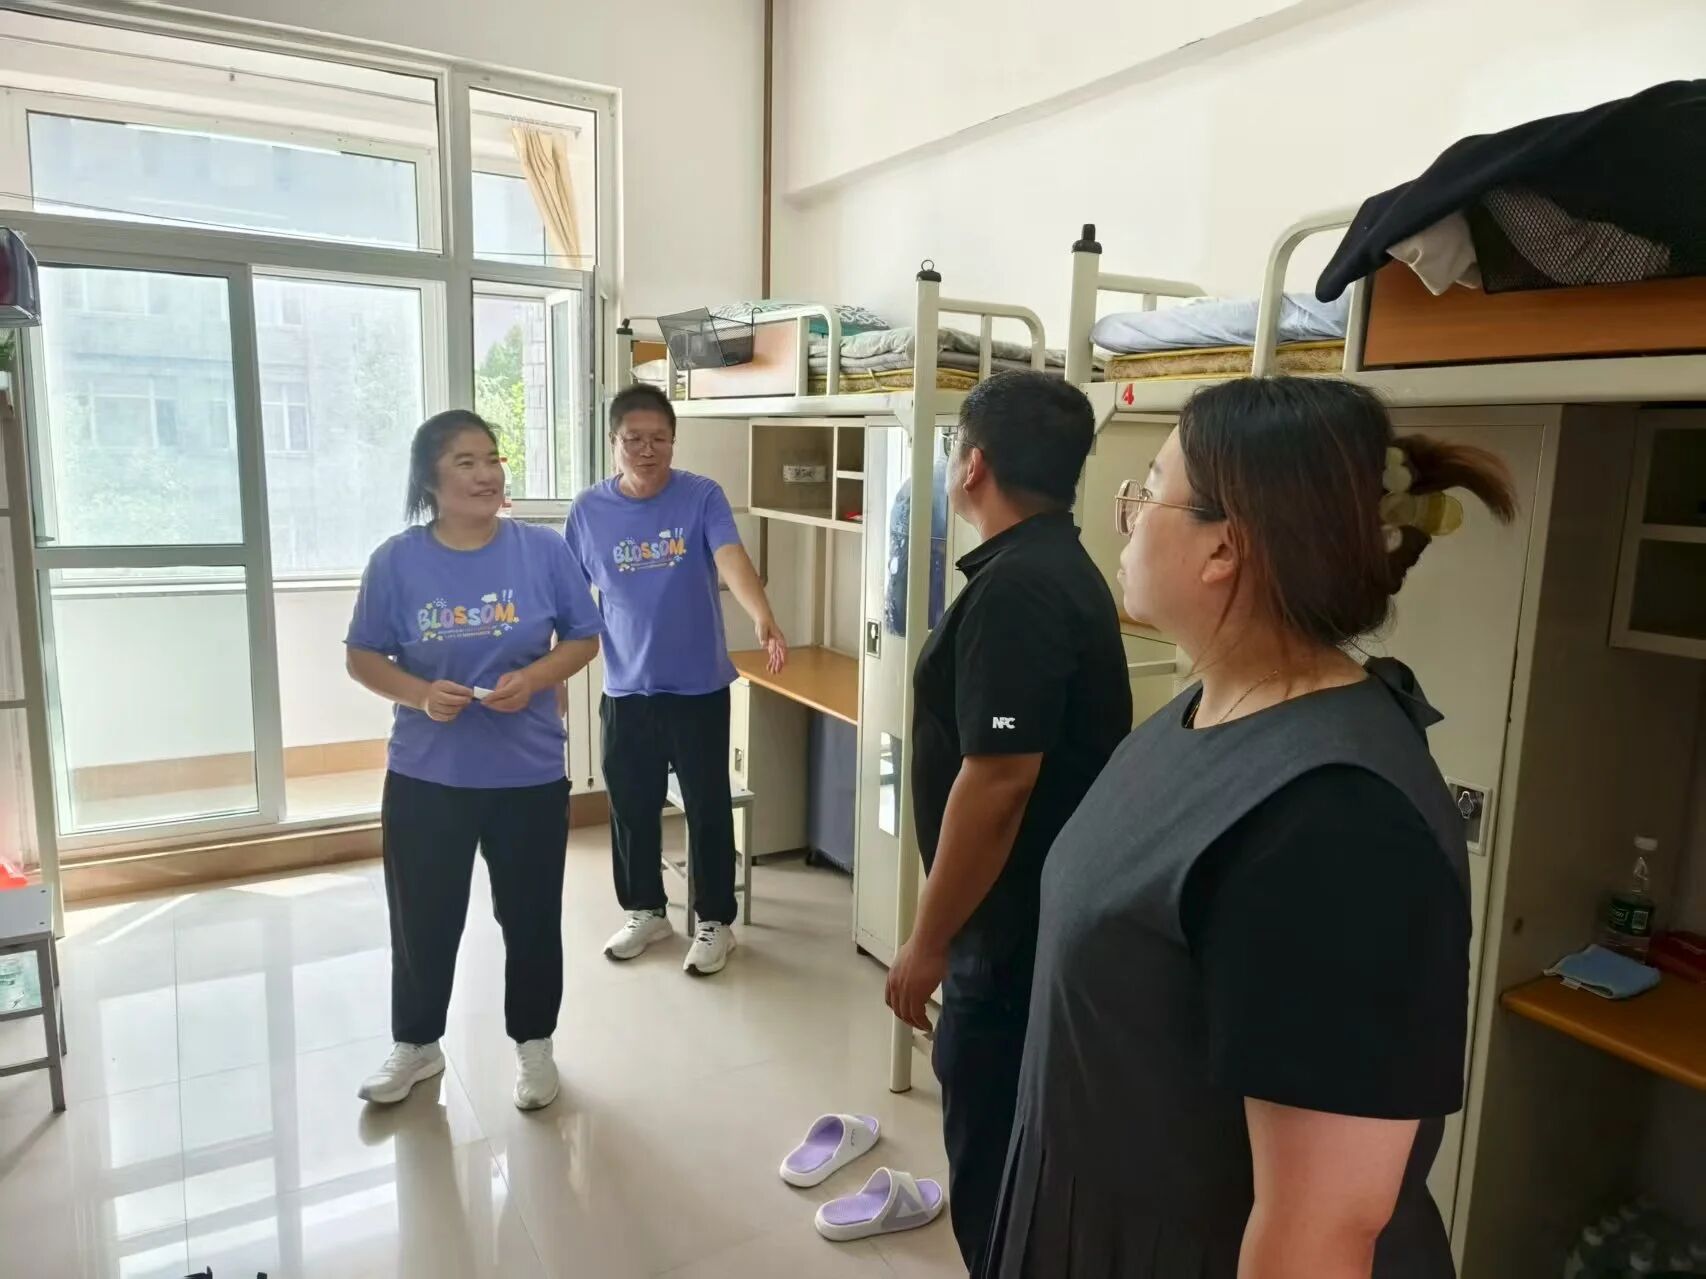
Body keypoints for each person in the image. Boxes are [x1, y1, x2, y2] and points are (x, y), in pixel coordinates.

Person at [980, 377, 1517, 1278]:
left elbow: (1322, 1229)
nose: (1126, 516)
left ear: (1225, 545)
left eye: (1149, 489)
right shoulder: (1202, 708)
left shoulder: (1337, 824)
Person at [884, 370, 1132, 1272]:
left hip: (1010, 932)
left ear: (974, 464)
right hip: (1030, 919)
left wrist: (927, 941)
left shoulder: (1018, 590)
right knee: (1016, 1156)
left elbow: (997, 787)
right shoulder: (1050, 565)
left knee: (993, 1165)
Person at [346, 410, 602, 1111]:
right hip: (428, 775)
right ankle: (417, 1044)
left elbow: (584, 637)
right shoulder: (396, 561)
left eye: (492, 458)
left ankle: (535, 1043)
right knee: (423, 918)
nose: (487, 473)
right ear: (429, 478)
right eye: (466, 461)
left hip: (527, 774)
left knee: (530, 917)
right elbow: (362, 655)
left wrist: (537, 677)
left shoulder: (541, 550)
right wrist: (421, 694)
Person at [565, 384, 787, 977]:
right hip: (626, 688)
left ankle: (716, 921)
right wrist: (551, 668)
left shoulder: (701, 495)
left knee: (708, 807)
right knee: (631, 807)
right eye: (633, 439)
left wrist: (761, 615)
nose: (647, 449)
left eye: (658, 438)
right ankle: (646, 910)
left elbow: (731, 557)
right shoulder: (588, 510)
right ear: (612, 442)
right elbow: (569, 594)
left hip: (698, 688)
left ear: (673, 441)